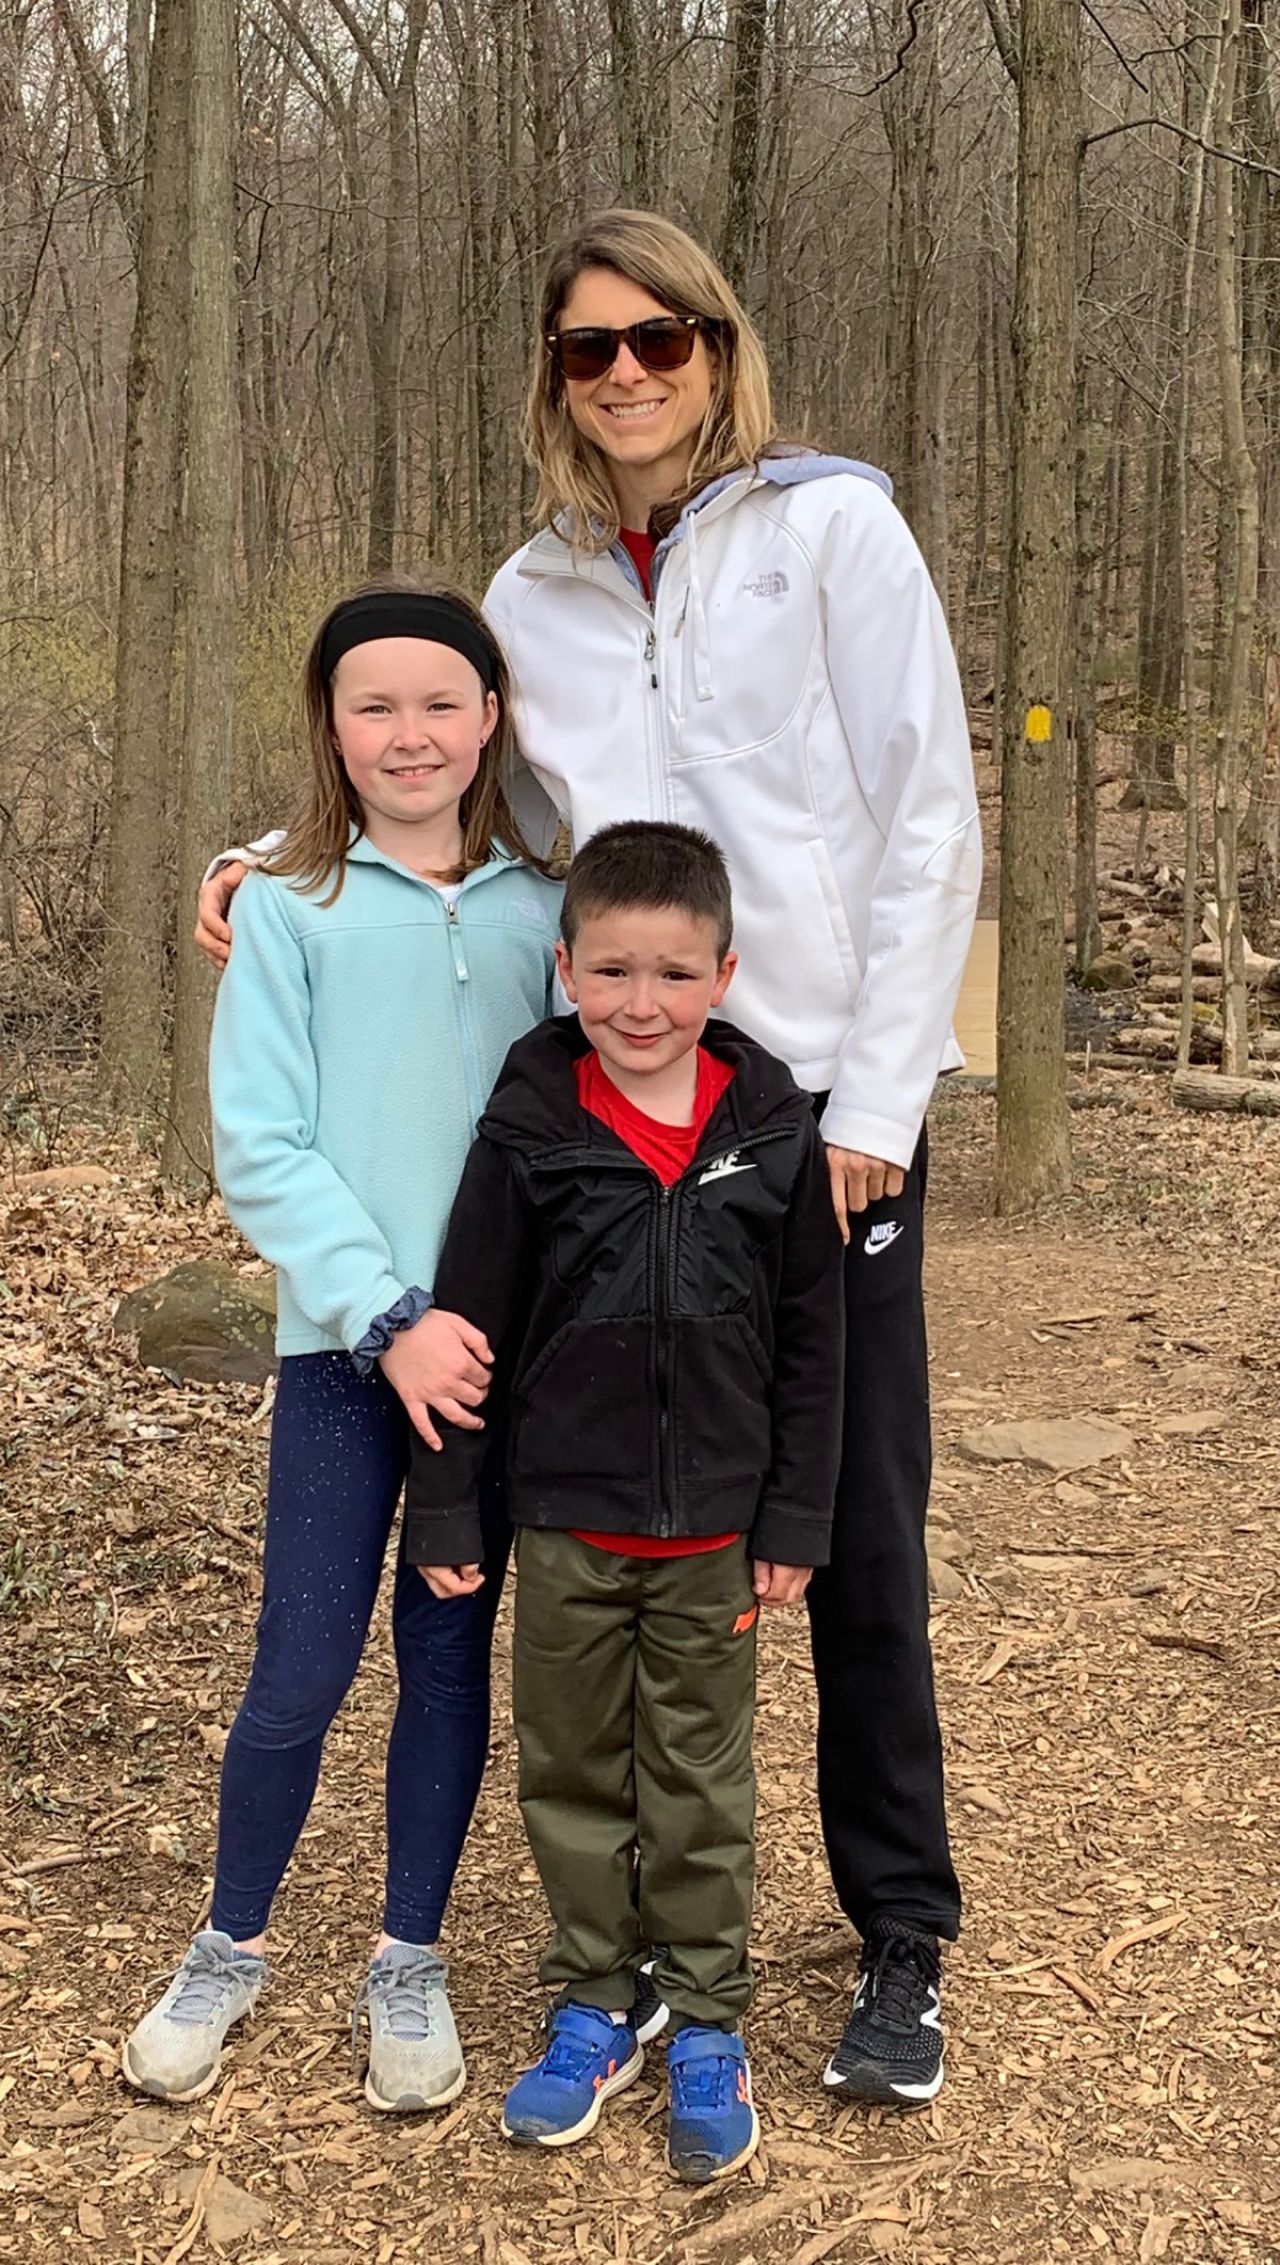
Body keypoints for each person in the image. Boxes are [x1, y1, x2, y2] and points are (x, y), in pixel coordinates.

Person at [197, 208, 981, 2105]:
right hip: (608, 1118)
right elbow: (448, 798)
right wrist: (261, 863)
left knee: (849, 1525)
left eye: (663, 337)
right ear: (555, 378)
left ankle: (900, 1933)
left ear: (720, 343)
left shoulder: (831, 531)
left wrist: (876, 1103)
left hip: (806, 1122)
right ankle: (614, 1946)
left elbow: (928, 809)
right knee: (609, 1520)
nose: (627, 373)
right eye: (586, 349)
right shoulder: (527, 591)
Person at [123, 578, 564, 2115]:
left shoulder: (545, 904)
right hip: (346, 1353)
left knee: (447, 1658)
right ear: (327, 722)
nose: (409, 732)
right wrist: (386, 1316)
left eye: (442, 701)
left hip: (490, 1366)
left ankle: (411, 1958)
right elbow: (261, 1145)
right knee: (301, 1665)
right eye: (372, 704)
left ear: (494, 716)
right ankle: (230, 1941)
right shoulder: (291, 907)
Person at [407, 820, 844, 2181]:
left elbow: (817, 1347)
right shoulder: (531, 1122)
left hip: (716, 1531)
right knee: (579, 1769)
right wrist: (447, 1511)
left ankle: (708, 2013)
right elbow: (466, 1324)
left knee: (702, 1779)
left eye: (669, 973)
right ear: (565, 967)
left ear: (722, 971)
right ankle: (597, 1995)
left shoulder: (772, 1132)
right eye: (609, 972)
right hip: (565, 1526)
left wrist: (794, 1519)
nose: (637, 1004)